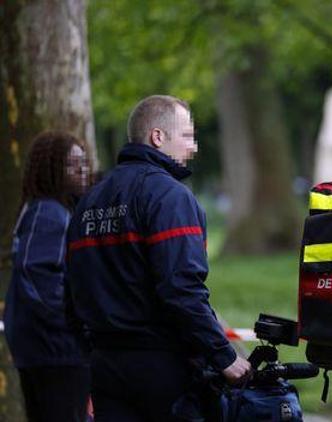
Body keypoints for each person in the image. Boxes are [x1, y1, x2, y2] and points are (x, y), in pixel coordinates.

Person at [65, 95, 251, 421]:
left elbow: (70, 288)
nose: (193, 147)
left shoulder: (89, 201)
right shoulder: (170, 197)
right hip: (163, 367)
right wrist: (223, 355)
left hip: (104, 365)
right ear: (157, 137)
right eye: (188, 136)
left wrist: (87, 353)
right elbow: (180, 288)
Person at [4, 131, 91, 422]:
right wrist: (77, 322)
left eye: (84, 162)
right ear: (51, 170)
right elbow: (37, 275)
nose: (82, 170)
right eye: (72, 165)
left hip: (46, 350)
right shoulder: (49, 212)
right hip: (55, 351)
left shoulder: (48, 209)